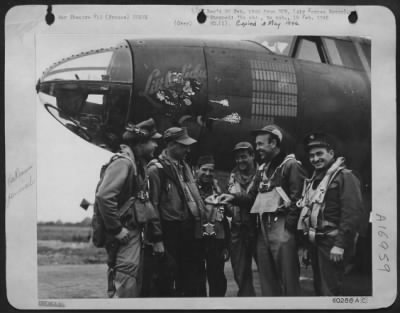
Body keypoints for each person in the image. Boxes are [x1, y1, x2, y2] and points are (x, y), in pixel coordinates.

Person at [219, 125, 306, 296]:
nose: (257, 148)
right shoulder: (263, 169)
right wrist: (232, 198)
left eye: (260, 144)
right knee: (267, 278)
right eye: (256, 144)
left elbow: (299, 200)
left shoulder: (291, 165)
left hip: (282, 227)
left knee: (288, 278)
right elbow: (251, 198)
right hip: (263, 229)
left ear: (273, 143)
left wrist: (288, 230)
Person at [95, 118, 161, 298]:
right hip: (124, 234)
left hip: (132, 231)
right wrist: (116, 229)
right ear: (140, 143)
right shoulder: (124, 163)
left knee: (130, 283)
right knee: (125, 284)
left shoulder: (138, 165)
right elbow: (104, 196)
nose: (156, 145)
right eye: (153, 141)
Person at [297, 133, 363, 296]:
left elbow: (352, 214)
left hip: (332, 242)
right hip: (315, 241)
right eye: (312, 155)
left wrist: (340, 244)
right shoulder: (314, 180)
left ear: (331, 154)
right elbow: (309, 213)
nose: (315, 159)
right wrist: (307, 245)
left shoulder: (345, 176)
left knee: (330, 290)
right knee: (319, 289)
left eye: (320, 154)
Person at [146, 127, 206, 297]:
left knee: (190, 280)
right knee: (167, 282)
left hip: (188, 230)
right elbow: (152, 206)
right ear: (171, 145)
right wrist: (157, 239)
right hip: (169, 231)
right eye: (183, 145)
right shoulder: (155, 170)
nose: (188, 149)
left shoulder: (184, 168)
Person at [196, 155, 230, 297]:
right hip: (196, 239)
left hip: (216, 240)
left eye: (211, 171)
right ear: (196, 169)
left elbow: (227, 215)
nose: (208, 174)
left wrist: (227, 245)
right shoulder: (190, 188)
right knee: (197, 279)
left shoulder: (218, 188)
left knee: (217, 279)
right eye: (204, 170)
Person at [227, 142, 257, 296]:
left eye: (244, 156)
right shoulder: (232, 177)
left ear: (252, 156)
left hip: (258, 230)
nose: (240, 161)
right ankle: (247, 302)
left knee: (268, 271)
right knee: (240, 272)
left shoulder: (263, 174)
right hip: (238, 229)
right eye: (237, 158)